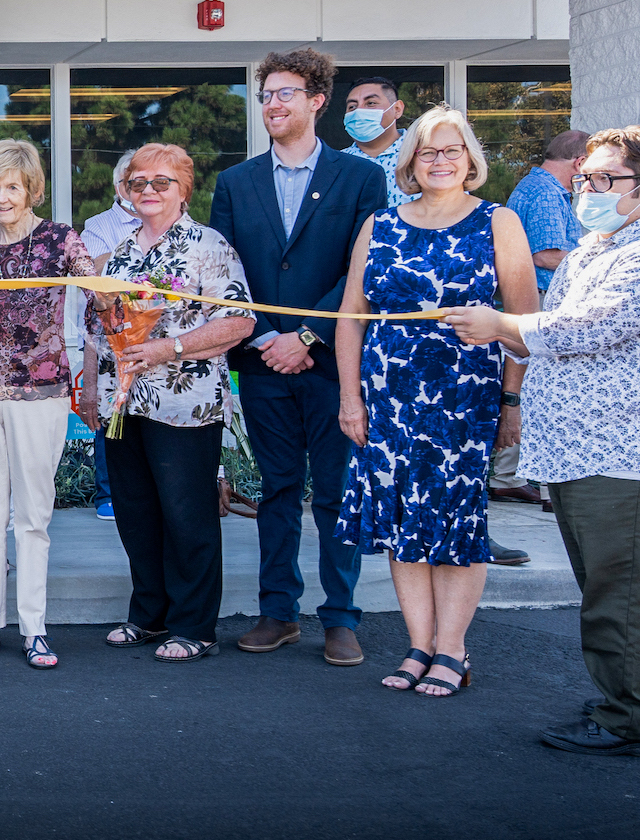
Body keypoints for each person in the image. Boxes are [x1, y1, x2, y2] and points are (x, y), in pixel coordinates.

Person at [445, 125, 640, 755]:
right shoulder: (596, 248)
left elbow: (588, 326)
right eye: (586, 178)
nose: (590, 189)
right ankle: (624, 695)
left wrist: (502, 323)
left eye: (607, 179)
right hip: (577, 451)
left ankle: (626, 718)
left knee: (618, 594)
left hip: (615, 453)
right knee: (604, 586)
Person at [336, 106, 537, 697]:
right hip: (387, 402)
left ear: (470, 159)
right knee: (402, 520)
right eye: (428, 152)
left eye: (452, 150)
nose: (440, 161)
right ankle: (418, 646)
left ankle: (452, 649)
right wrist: (350, 398)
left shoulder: (498, 222)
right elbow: (351, 316)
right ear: (411, 163)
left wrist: (511, 401)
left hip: (464, 403)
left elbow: (525, 322)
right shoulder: (380, 224)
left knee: (455, 522)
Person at [207, 48, 386, 669]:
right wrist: (264, 338)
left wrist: (306, 337)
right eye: (266, 96)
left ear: (317, 100)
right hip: (262, 362)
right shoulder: (235, 183)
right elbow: (223, 273)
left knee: (335, 492)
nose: (273, 104)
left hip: (334, 363)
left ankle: (340, 618)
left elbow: (362, 270)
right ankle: (278, 612)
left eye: (286, 93)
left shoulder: (360, 178)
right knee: (278, 490)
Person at [80, 144, 254, 664]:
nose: (148, 191)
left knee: (186, 514)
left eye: (161, 182)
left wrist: (169, 347)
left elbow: (239, 321)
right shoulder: (119, 254)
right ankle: (149, 614)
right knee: (136, 513)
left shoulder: (208, 245)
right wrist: (91, 389)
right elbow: (97, 331)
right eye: (138, 183)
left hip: (184, 404)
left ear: (184, 189)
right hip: (124, 403)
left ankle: (194, 625)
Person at [0, 140, 93, 668]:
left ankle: (34, 627)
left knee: (33, 516)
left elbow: (95, 290)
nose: (2, 197)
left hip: (41, 393)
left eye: (12, 187)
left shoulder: (60, 238)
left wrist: (125, 296)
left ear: (32, 189)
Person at [491, 130, 591, 512]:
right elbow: (545, 254)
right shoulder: (547, 193)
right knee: (537, 389)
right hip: (543, 299)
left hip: (536, 300)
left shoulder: (537, 187)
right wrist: (596, 260)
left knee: (525, 387)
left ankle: (509, 475)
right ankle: (520, 478)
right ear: (580, 163)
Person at [79, 153, 144, 522]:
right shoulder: (98, 224)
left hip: (158, 337)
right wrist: (137, 251)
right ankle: (108, 493)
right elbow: (91, 274)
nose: (141, 189)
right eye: (133, 182)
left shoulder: (172, 222)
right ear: (120, 187)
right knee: (110, 414)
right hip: (108, 339)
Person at [341, 76, 415, 207]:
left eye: (370, 103)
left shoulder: (423, 156)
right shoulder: (336, 163)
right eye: (352, 106)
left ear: (397, 109)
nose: (359, 111)